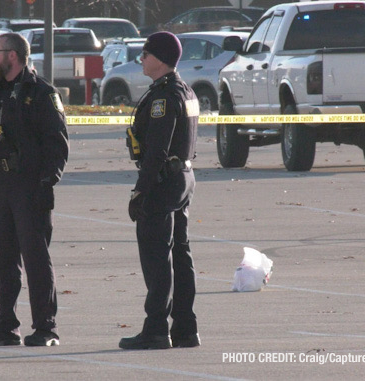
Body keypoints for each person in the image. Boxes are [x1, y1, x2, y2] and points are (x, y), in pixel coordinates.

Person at [0, 32, 69, 347]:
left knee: (37, 260)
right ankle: (6, 327)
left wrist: (47, 181)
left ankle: (45, 328)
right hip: (1, 187)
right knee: (4, 263)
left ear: (12, 55)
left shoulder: (40, 93)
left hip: (29, 187)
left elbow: (58, 143)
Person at [119, 31, 200, 350]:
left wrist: (141, 190)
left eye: (146, 54)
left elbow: (157, 149)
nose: (142, 58)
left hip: (163, 181)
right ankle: (185, 328)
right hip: (183, 177)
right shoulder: (185, 90)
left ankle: (155, 328)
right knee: (180, 253)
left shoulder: (165, 96)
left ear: (162, 59)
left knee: (157, 256)